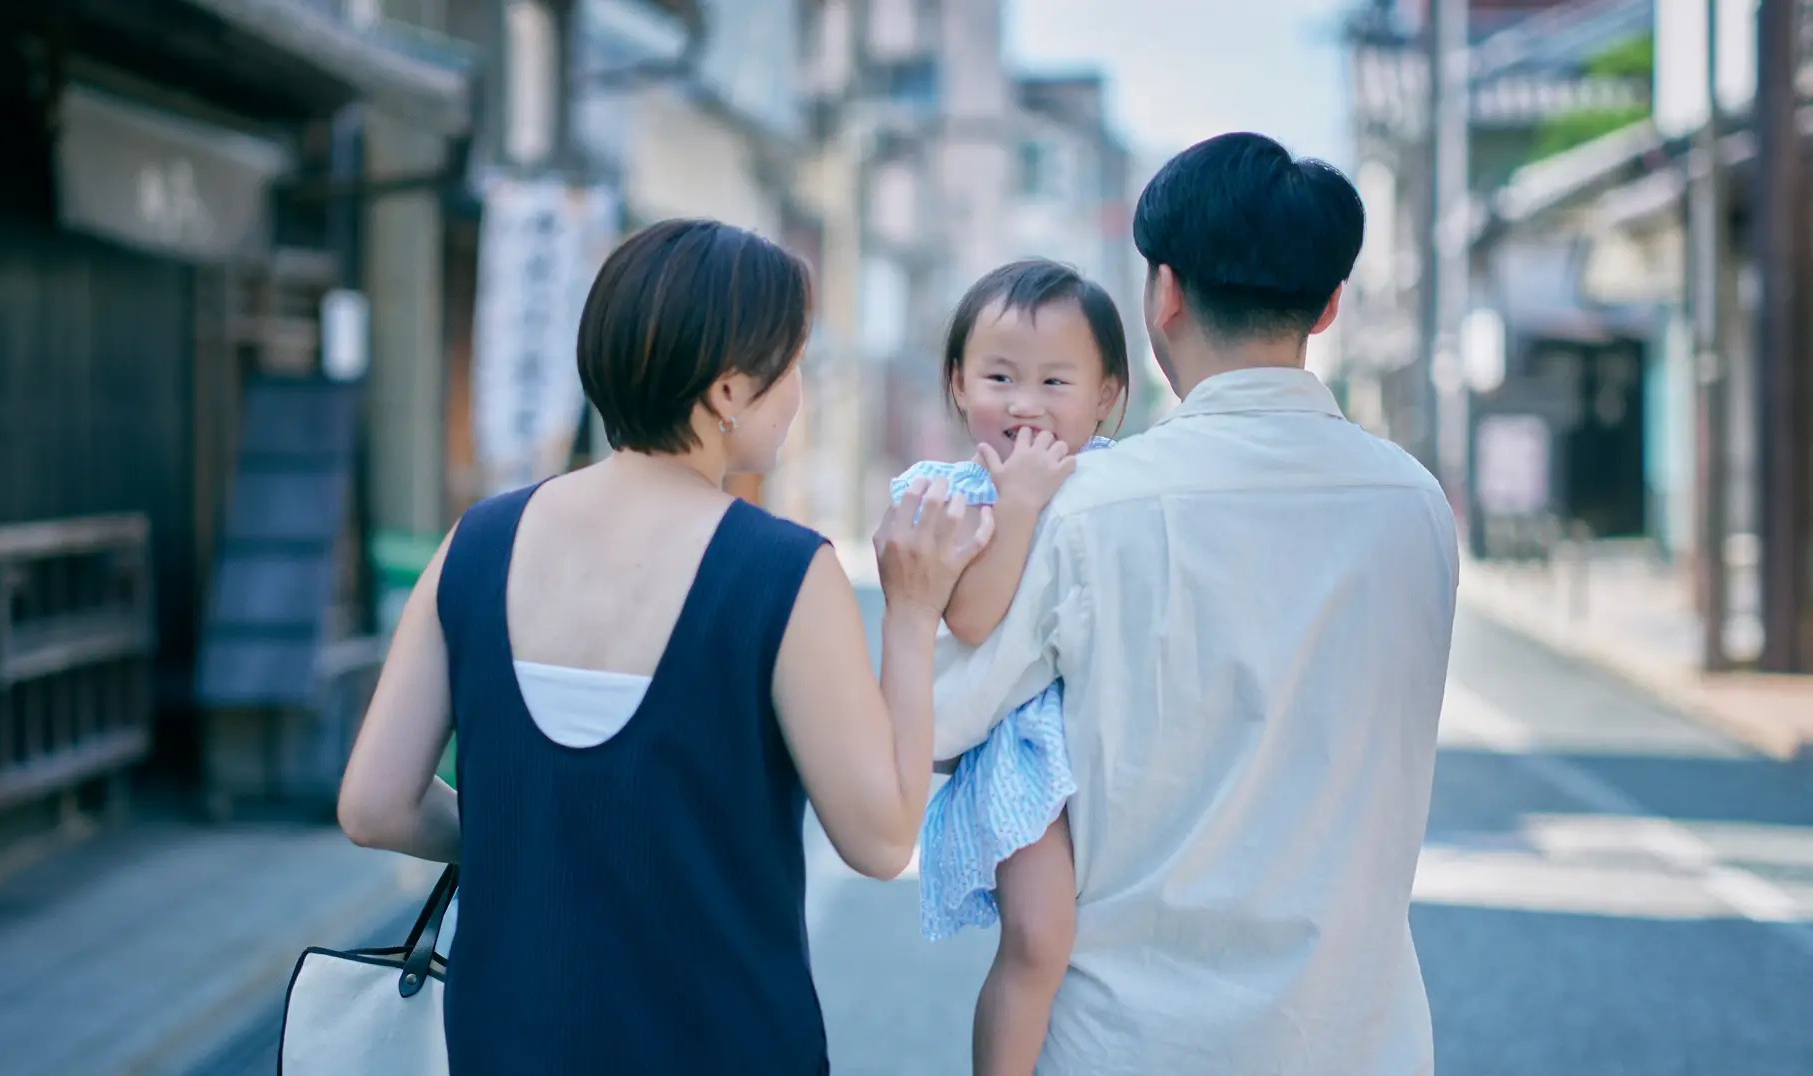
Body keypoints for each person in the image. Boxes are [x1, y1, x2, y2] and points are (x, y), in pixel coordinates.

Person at [335, 218, 993, 1074]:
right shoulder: (780, 572)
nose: (801, 389)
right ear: (728, 392)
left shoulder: (477, 543)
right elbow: (879, 841)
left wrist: (541, 830)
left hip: (508, 1040)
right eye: (791, 365)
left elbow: (375, 805)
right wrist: (910, 614)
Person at [929, 132, 1460, 1075]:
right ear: (1330, 305)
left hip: (1127, 1045)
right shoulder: (1415, 506)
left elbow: (940, 721)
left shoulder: (1088, 507)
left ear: (1163, 293)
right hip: (1357, 1042)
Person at [891, 260, 1128, 1076]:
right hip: (1012, 743)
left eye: (1055, 380)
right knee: (1039, 937)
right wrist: (1019, 505)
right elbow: (969, 614)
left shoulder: (1111, 482)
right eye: (999, 376)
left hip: (1095, 721)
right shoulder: (946, 495)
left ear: (1106, 396)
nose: (1025, 403)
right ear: (958, 383)